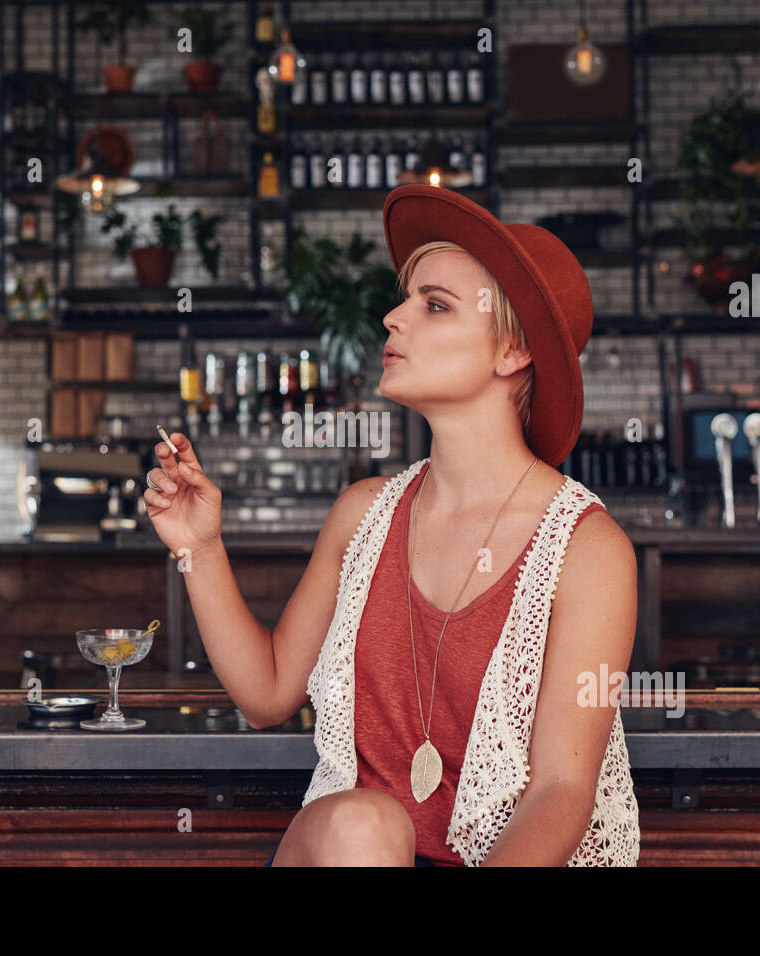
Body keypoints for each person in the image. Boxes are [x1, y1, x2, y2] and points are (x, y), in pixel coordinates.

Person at [143, 185, 640, 866]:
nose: (392, 318)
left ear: (511, 353)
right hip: (346, 855)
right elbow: (266, 695)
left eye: (434, 306)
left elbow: (561, 792)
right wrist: (200, 547)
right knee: (364, 826)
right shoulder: (363, 514)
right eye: (407, 300)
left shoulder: (589, 550)